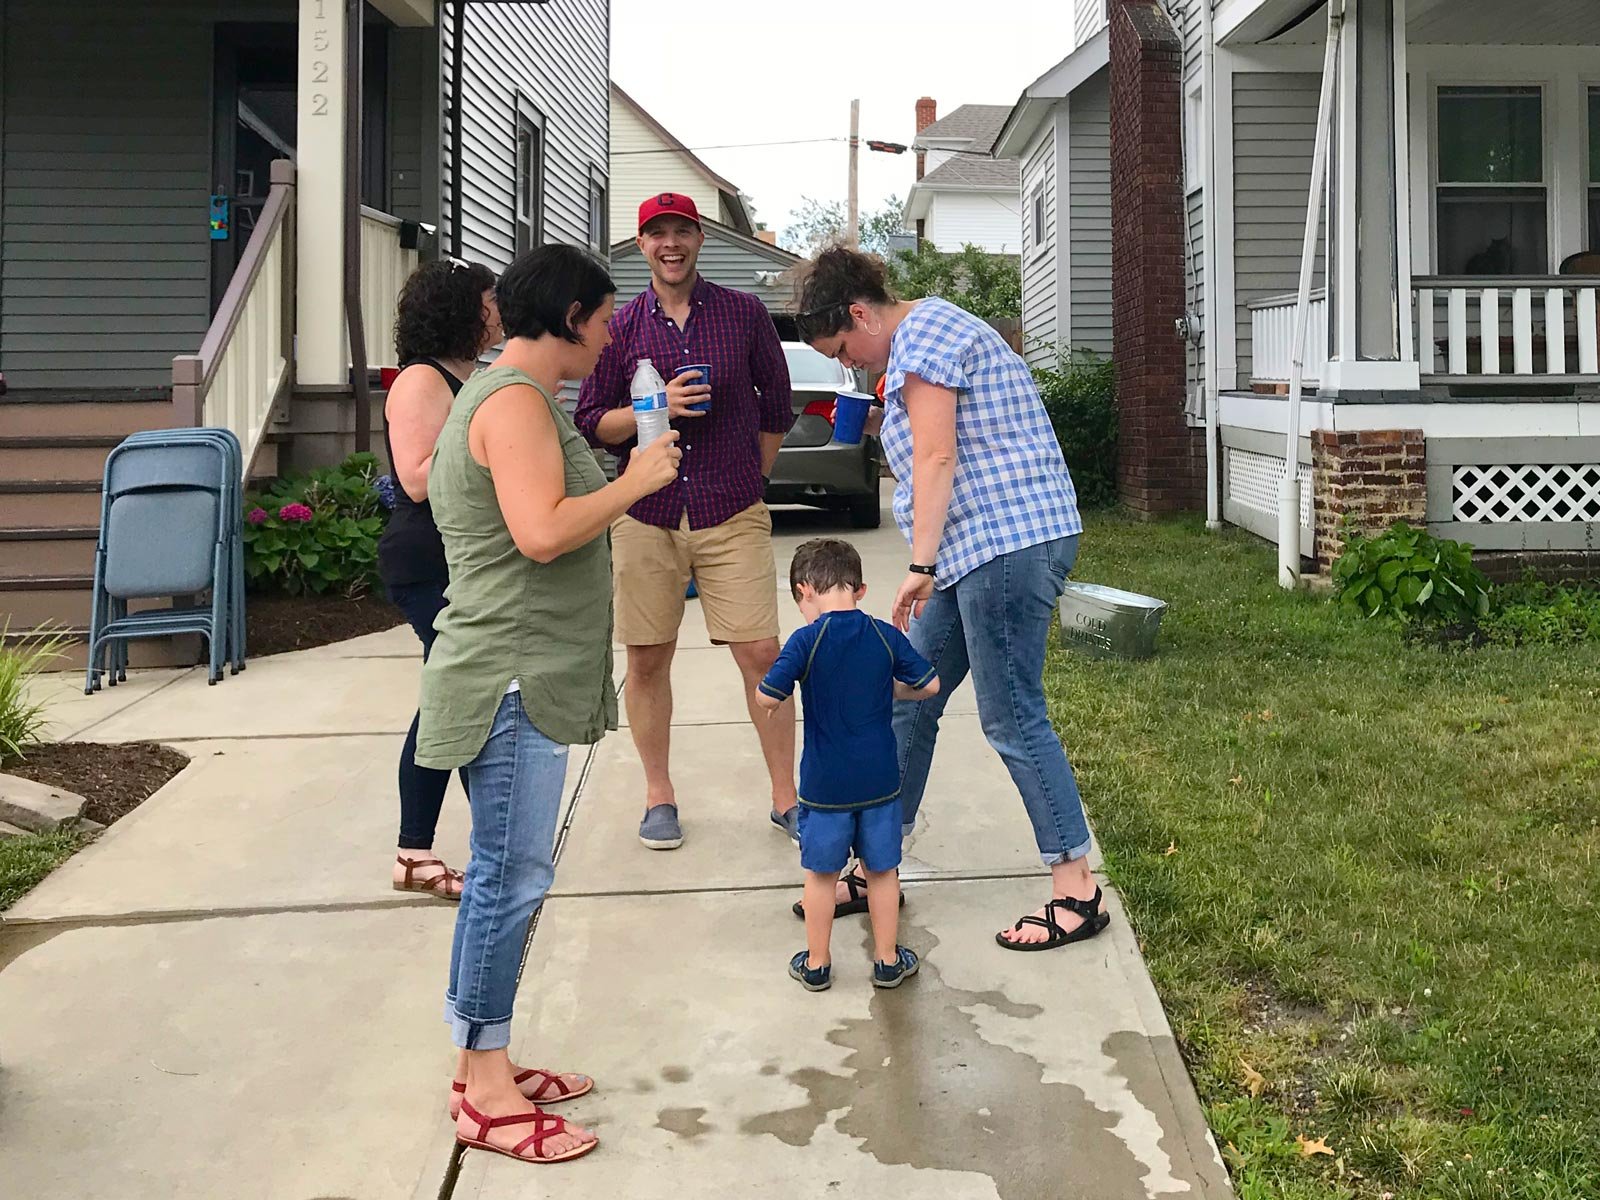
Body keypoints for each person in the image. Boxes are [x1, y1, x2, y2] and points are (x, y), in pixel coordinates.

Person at [416, 244, 682, 1164]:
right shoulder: (515, 404)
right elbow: (539, 533)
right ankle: (486, 1096)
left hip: (515, 668)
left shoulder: (507, 397)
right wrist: (634, 483)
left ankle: (480, 1063)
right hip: (511, 674)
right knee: (511, 877)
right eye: (603, 320)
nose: (609, 337)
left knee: (503, 874)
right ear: (571, 318)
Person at [794, 246, 1110, 953]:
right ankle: (880, 865)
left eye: (842, 349)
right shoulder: (922, 342)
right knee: (910, 695)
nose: (850, 364)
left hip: (1005, 545)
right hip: (979, 550)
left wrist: (920, 563)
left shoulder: (926, 337)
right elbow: (944, 438)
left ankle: (1077, 890)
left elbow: (940, 455)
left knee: (1013, 714)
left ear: (859, 314)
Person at [575, 193, 798, 851]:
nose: (669, 243)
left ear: (699, 239)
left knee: (762, 655)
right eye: (657, 233)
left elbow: (776, 404)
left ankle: (787, 799)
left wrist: (752, 478)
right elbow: (593, 421)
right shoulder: (620, 327)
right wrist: (657, 406)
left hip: (731, 508)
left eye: (681, 231)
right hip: (646, 513)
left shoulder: (744, 312)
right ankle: (659, 796)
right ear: (642, 244)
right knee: (647, 657)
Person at [757, 539, 938, 991]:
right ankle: (888, 961)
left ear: (804, 591)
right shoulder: (883, 635)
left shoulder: (805, 640)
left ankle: (817, 963)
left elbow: (766, 695)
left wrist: (779, 696)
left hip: (825, 787)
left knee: (821, 875)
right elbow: (930, 685)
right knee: (882, 872)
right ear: (859, 589)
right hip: (880, 782)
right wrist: (890, 689)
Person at [379, 258, 500, 902]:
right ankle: (416, 851)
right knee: (454, 699)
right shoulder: (421, 381)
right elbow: (418, 478)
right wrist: (495, 449)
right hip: (426, 563)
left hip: (458, 562)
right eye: (490, 300)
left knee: (457, 697)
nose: (499, 310)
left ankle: (440, 846)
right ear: (461, 309)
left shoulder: (468, 377)